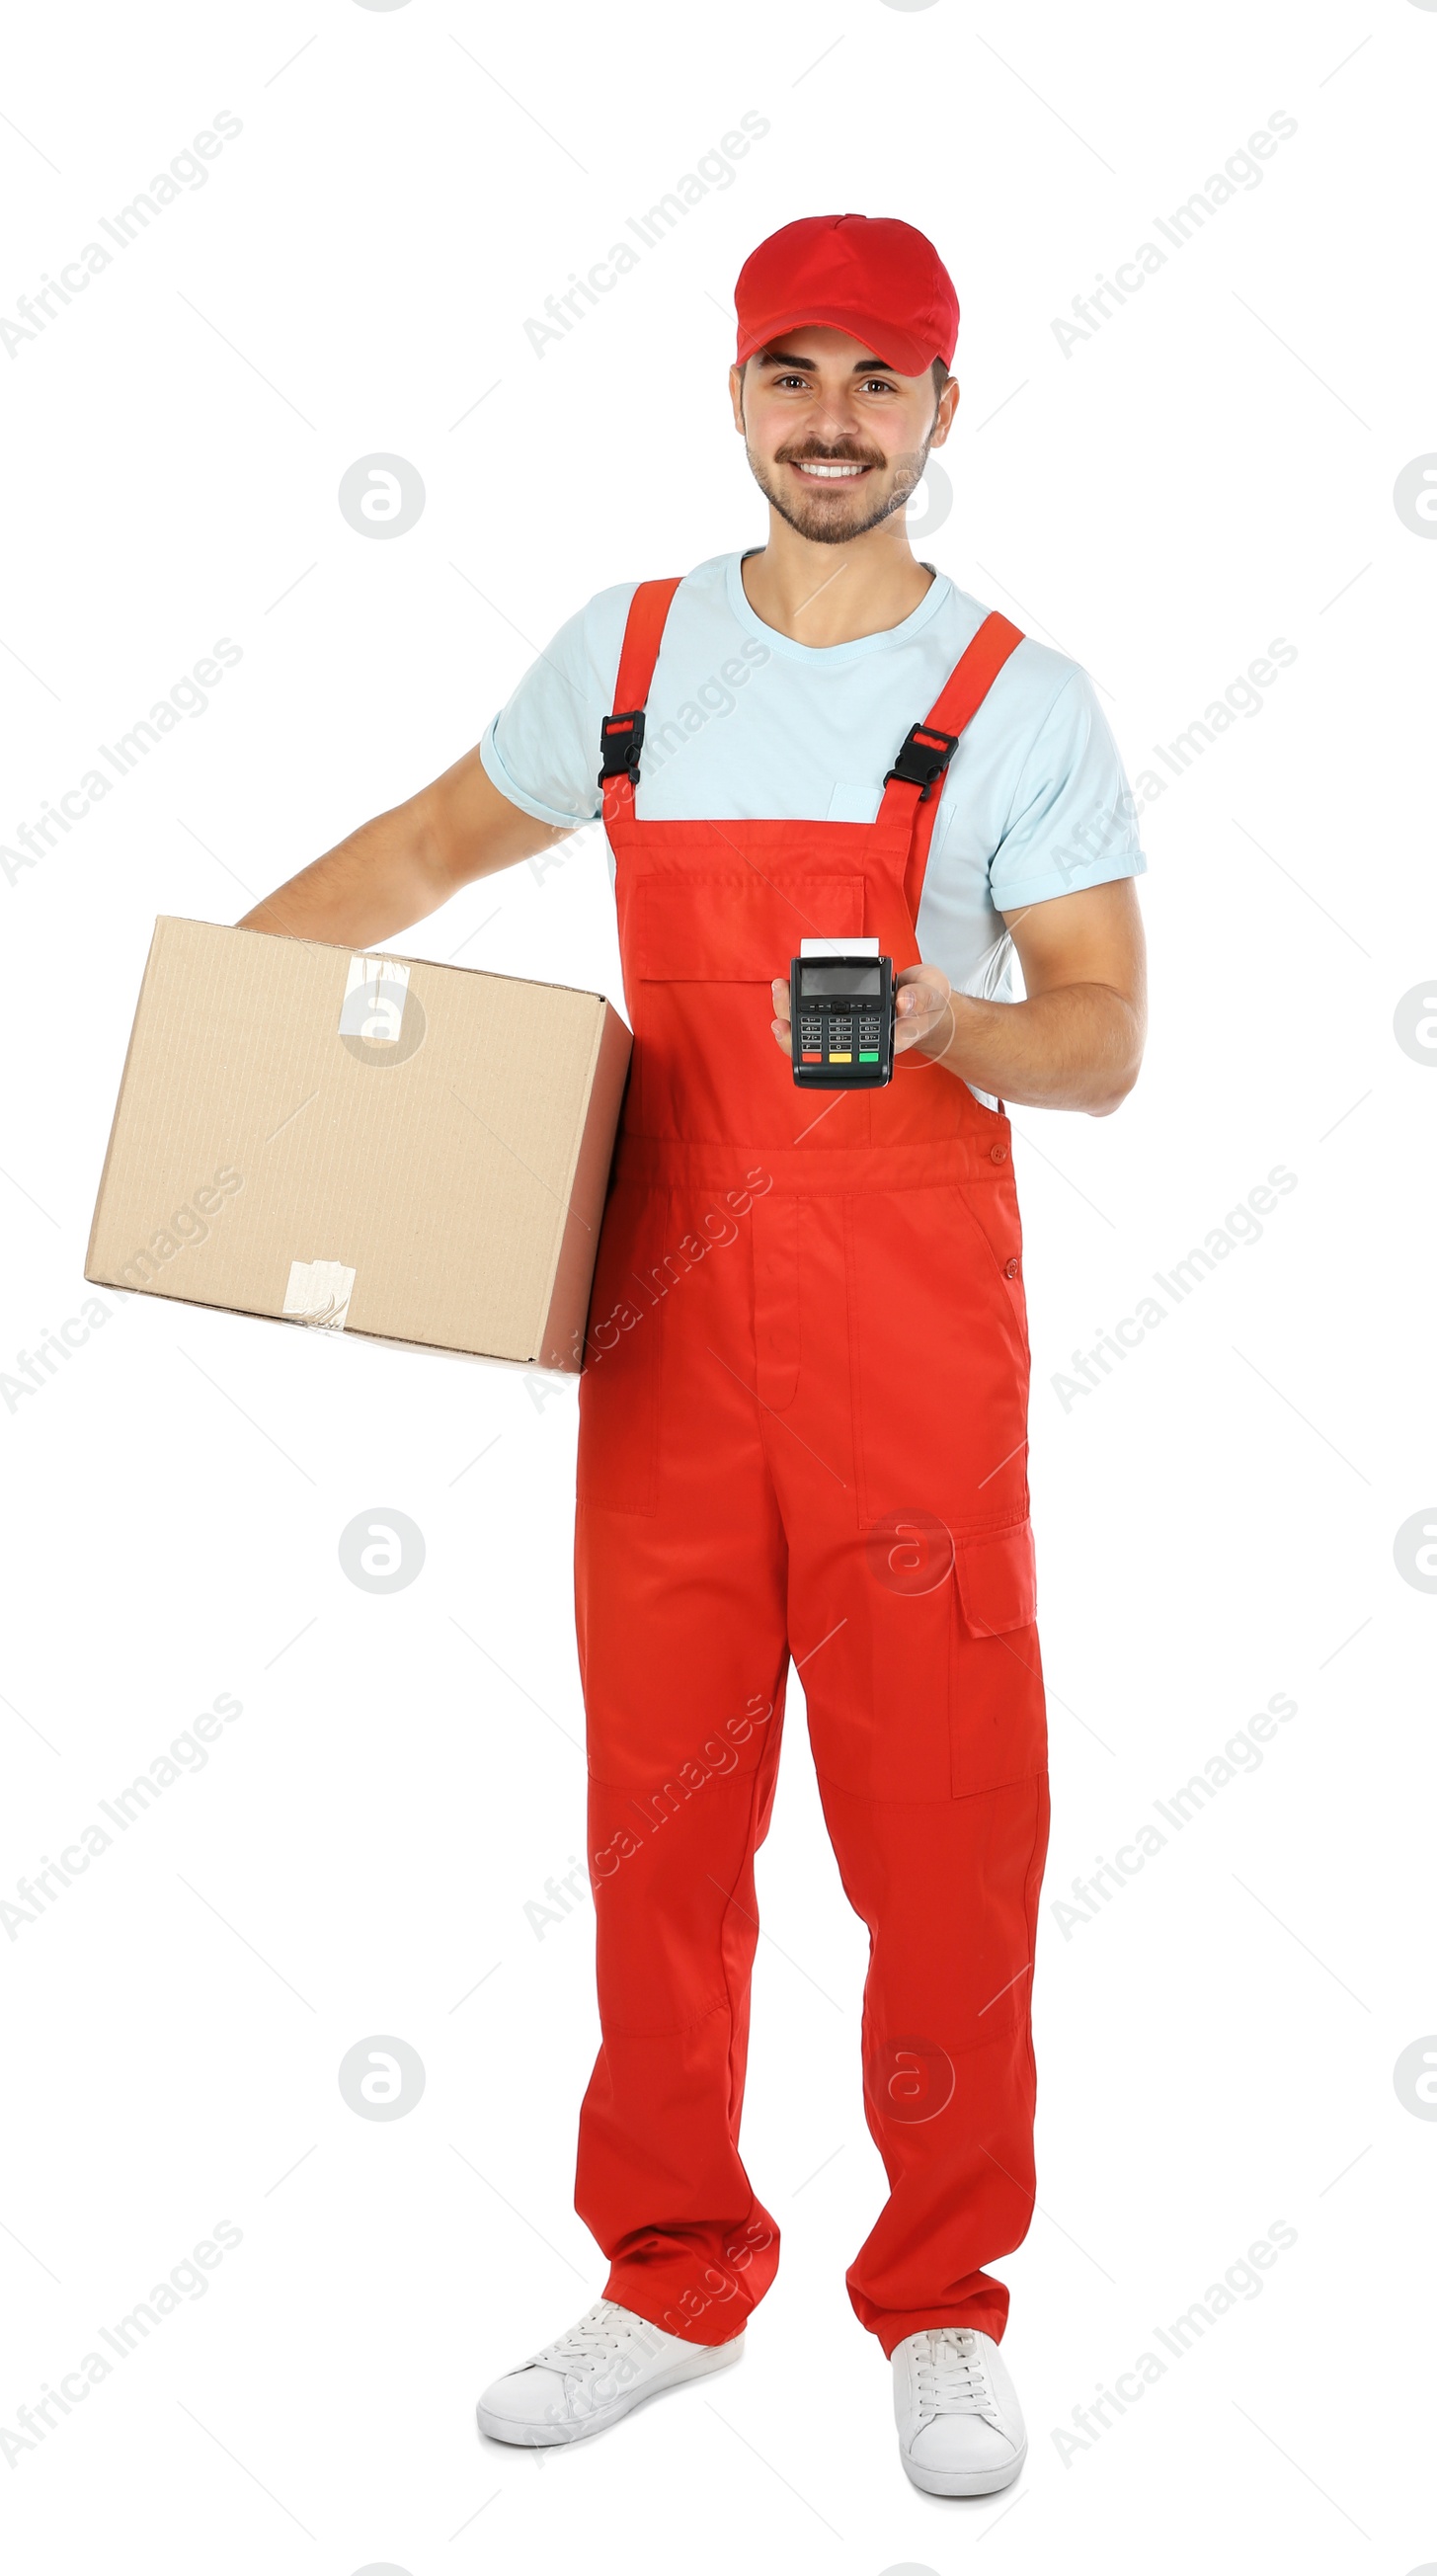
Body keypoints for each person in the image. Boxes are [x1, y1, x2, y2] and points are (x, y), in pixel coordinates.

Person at [241, 211, 1147, 2499]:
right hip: (655, 1328)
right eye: (792, 372)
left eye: (879, 380)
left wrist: (963, 1020)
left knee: (938, 1832)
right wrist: (226, 1006)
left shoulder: (1015, 696)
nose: (830, 418)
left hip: (908, 1354)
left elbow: (1107, 1040)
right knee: (660, 1834)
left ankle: (939, 2301)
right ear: (738, 394)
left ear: (944, 411)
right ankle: (666, 2272)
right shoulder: (628, 657)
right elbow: (440, 841)